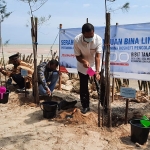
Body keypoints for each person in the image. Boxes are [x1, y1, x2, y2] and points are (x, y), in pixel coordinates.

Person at [74, 23, 102, 114]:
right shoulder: (77, 40)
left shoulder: (98, 40)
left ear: (93, 32)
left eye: (92, 35)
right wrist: (84, 62)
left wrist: (97, 72)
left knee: (99, 84)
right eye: (88, 36)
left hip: (94, 67)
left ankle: (104, 104)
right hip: (83, 67)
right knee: (83, 86)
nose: (90, 37)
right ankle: (85, 106)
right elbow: (77, 56)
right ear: (83, 34)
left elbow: (98, 57)